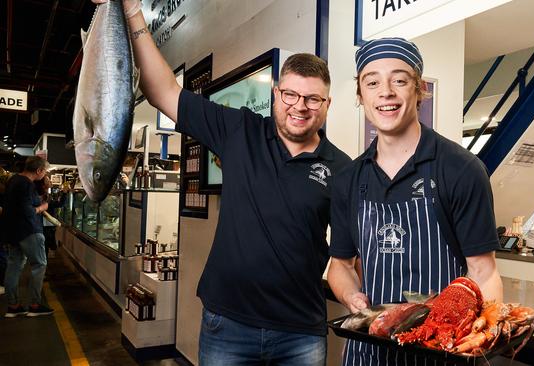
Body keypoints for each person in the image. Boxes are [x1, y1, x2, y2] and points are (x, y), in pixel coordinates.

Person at [91, 1, 351, 364]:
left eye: (312, 98)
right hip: (228, 325)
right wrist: (132, 10)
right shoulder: (239, 131)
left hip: (300, 333)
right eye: (290, 94)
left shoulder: (342, 169)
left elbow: (345, 259)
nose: (300, 106)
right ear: (276, 94)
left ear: (327, 104)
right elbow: (163, 92)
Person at [327, 37, 503, 364]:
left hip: (440, 350)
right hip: (369, 351)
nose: (386, 92)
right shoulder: (348, 180)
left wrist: (480, 336)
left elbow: (484, 271)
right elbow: (340, 265)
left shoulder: (461, 169)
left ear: (419, 89)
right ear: (360, 94)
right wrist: (351, 294)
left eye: (399, 79)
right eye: (373, 82)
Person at [3, 156, 54, 317]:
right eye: (44, 171)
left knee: (13, 267)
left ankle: (13, 306)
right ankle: (34, 305)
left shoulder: (13, 181)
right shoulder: (26, 184)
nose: (44, 174)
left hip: (13, 232)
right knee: (39, 265)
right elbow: (27, 211)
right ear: (39, 170)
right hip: (29, 231)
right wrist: (42, 207)